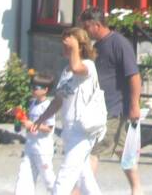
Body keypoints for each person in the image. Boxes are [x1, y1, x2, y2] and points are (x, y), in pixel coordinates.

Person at [79, 7, 143, 195]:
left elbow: (134, 76)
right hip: (101, 107)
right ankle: (137, 188)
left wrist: (134, 105)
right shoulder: (97, 46)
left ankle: (83, 191)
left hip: (114, 108)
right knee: (122, 150)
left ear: (96, 25)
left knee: (93, 151)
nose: (85, 31)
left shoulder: (119, 43)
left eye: (86, 27)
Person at [34, 28, 103, 195]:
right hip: (70, 131)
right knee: (85, 179)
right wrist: (41, 118)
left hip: (83, 131)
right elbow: (58, 100)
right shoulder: (66, 71)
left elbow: (77, 67)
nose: (64, 47)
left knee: (64, 178)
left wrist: (74, 47)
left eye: (68, 44)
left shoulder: (88, 66)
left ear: (80, 46)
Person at [15, 72, 56, 194]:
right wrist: (21, 119)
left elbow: (49, 128)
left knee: (48, 179)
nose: (32, 90)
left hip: (42, 149)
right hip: (30, 146)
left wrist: (32, 125)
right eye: (32, 86)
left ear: (45, 90)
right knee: (24, 177)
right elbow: (28, 123)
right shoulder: (32, 103)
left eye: (36, 88)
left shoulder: (48, 106)